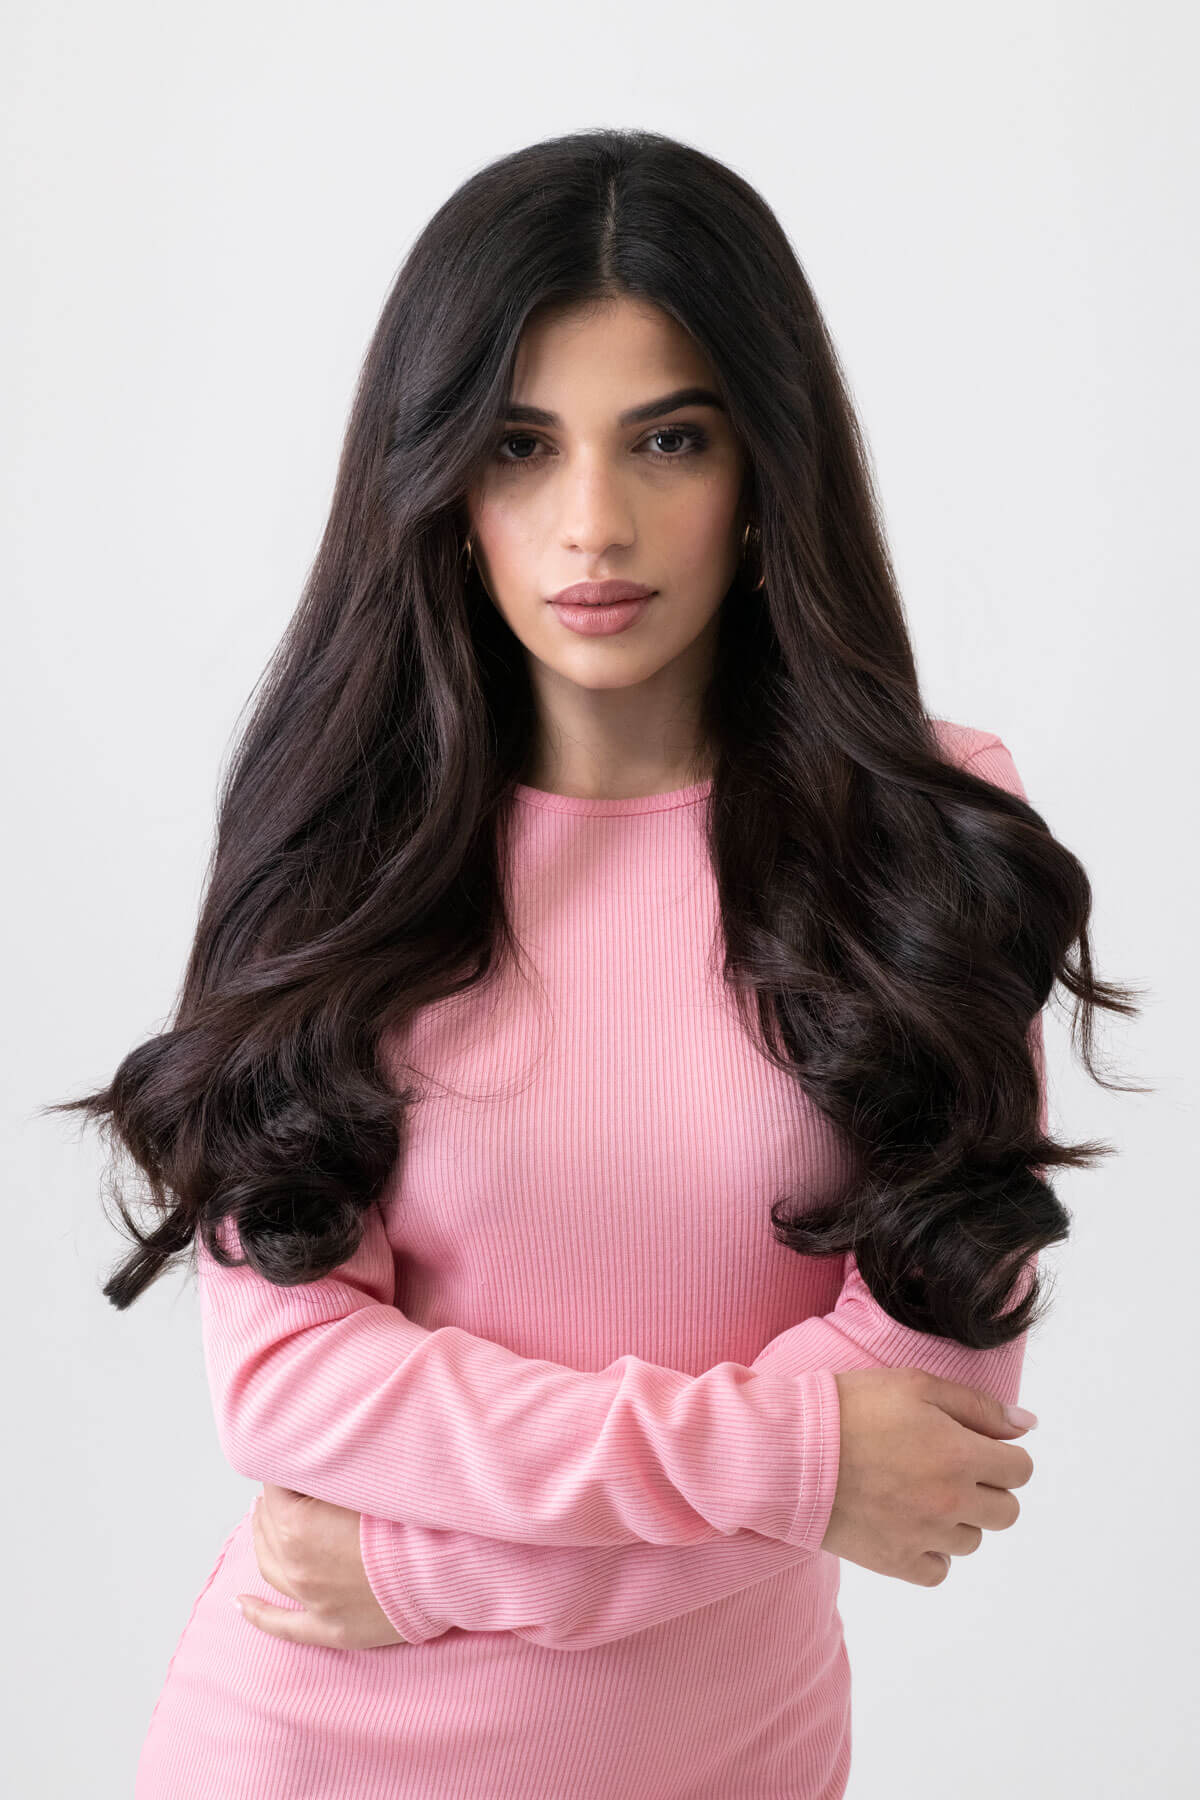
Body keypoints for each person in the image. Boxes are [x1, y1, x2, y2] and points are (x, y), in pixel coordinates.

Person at [49, 127, 1135, 1800]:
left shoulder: (928, 843)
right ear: (440, 486)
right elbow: (293, 1388)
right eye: (519, 446)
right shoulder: (342, 847)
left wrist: (434, 1570)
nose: (594, 526)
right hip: (306, 1748)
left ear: (767, 469)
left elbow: (926, 1430)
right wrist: (795, 1456)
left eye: (670, 441)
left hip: (730, 1758)